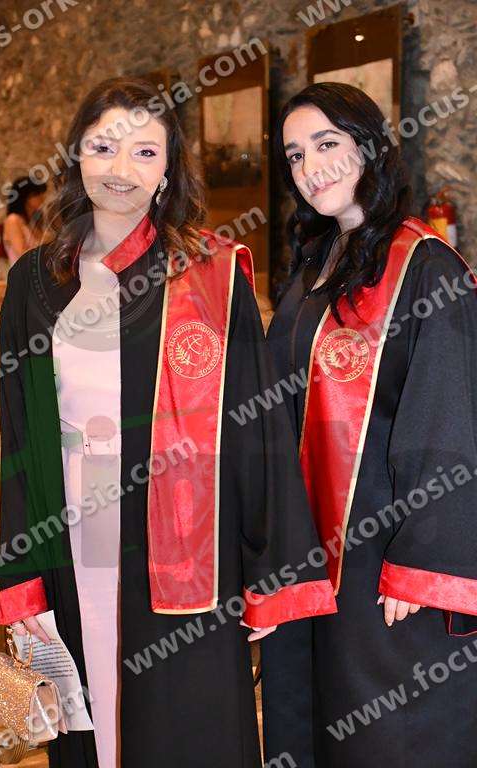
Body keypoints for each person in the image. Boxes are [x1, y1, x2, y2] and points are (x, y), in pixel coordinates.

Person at [0, 77, 336, 768]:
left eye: (145, 152)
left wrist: (270, 572)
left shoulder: (210, 275)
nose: (121, 169)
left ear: (169, 168)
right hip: (74, 536)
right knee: (90, 713)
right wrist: (21, 576)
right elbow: (22, 441)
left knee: (184, 722)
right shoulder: (34, 280)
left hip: (187, 548)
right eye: (103, 147)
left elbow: (256, 433)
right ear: (76, 155)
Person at [260, 82, 477, 768]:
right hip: (311, 551)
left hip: (385, 558)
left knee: (388, 735)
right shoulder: (315, 266)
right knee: (313, 722)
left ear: (370, 147)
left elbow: (448, 413)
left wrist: (421, 563)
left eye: (326, 143)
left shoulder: (427, 266)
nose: (310, 167)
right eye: (295, 155)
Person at [2, 176, 47, 266]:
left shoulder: (33, 220)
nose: (42, 197)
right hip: (23, 273)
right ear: (25, 198)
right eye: (37, 194)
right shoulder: (13, 220)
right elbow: (22, 254)